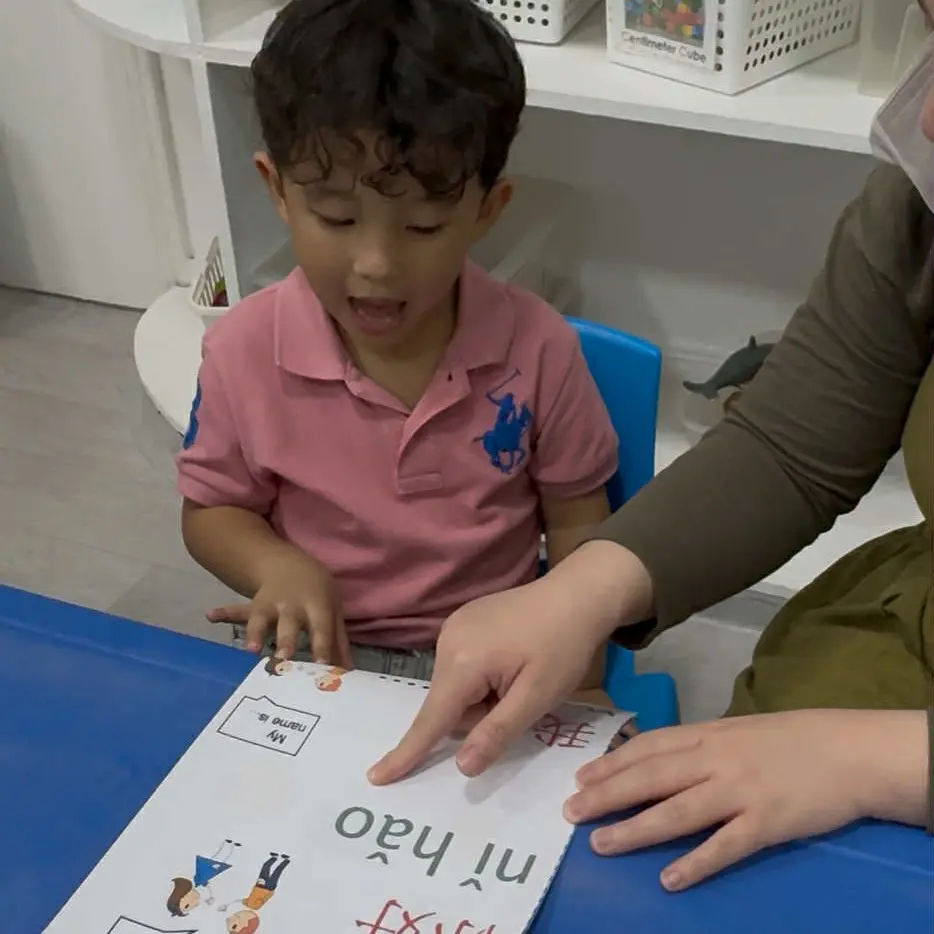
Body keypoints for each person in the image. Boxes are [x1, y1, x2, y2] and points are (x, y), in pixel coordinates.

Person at [370, 5, 934, 891]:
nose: (929, 115)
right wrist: (584, 590)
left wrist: (885, 760)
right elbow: (794, 442)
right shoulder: (920, 200)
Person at [175, 0, 618, 697]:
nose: (376, 264)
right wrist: (277, 566)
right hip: (320, 651)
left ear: (486, 210)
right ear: (277, 191)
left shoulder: (539, 349)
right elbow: (211, 512)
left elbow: (577, 519)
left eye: (422, 226)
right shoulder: (241, 350)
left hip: (490, 654)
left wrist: (579, 677)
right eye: (337, 217)